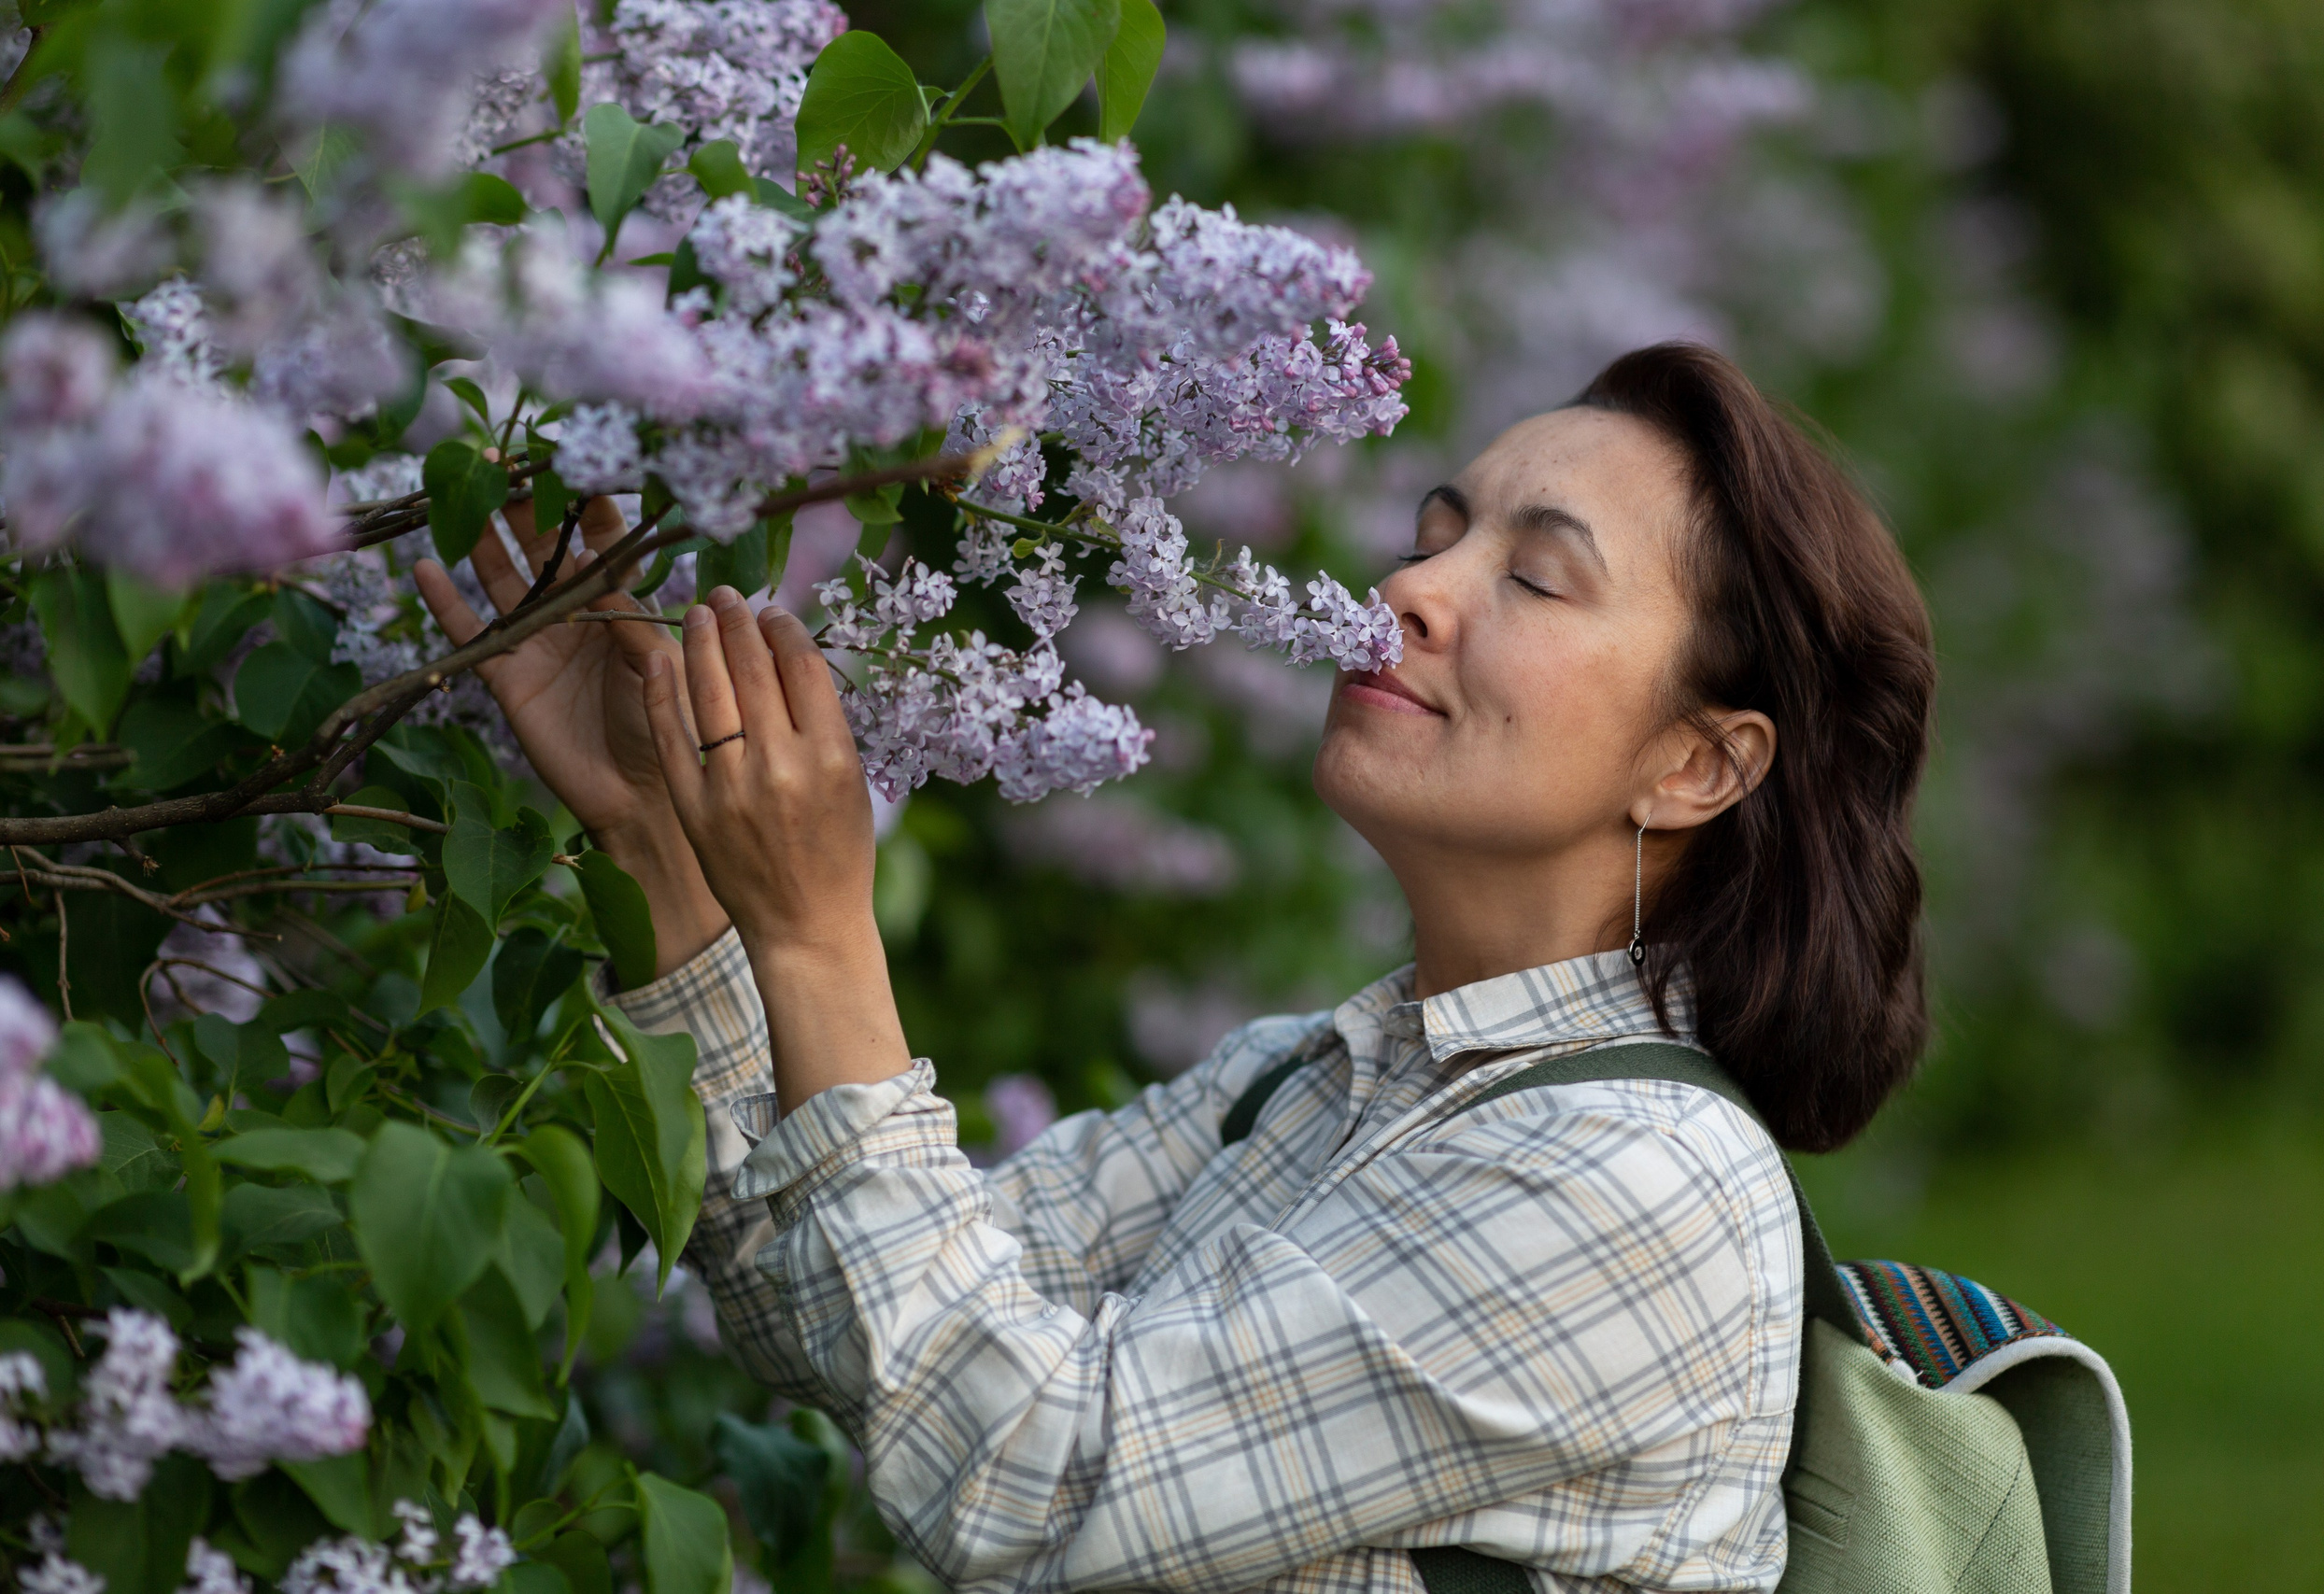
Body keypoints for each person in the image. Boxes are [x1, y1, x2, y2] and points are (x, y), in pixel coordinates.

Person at [418, 342, 1936, 1594]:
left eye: (1535, 580)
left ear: (1695, 764)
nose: (1410, 589)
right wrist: (664, 863)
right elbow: (856, 1325)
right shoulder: (1307, 1081)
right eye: (1436, 533)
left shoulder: (1637, 1185)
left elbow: (1014, 1477)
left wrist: (818, 935)